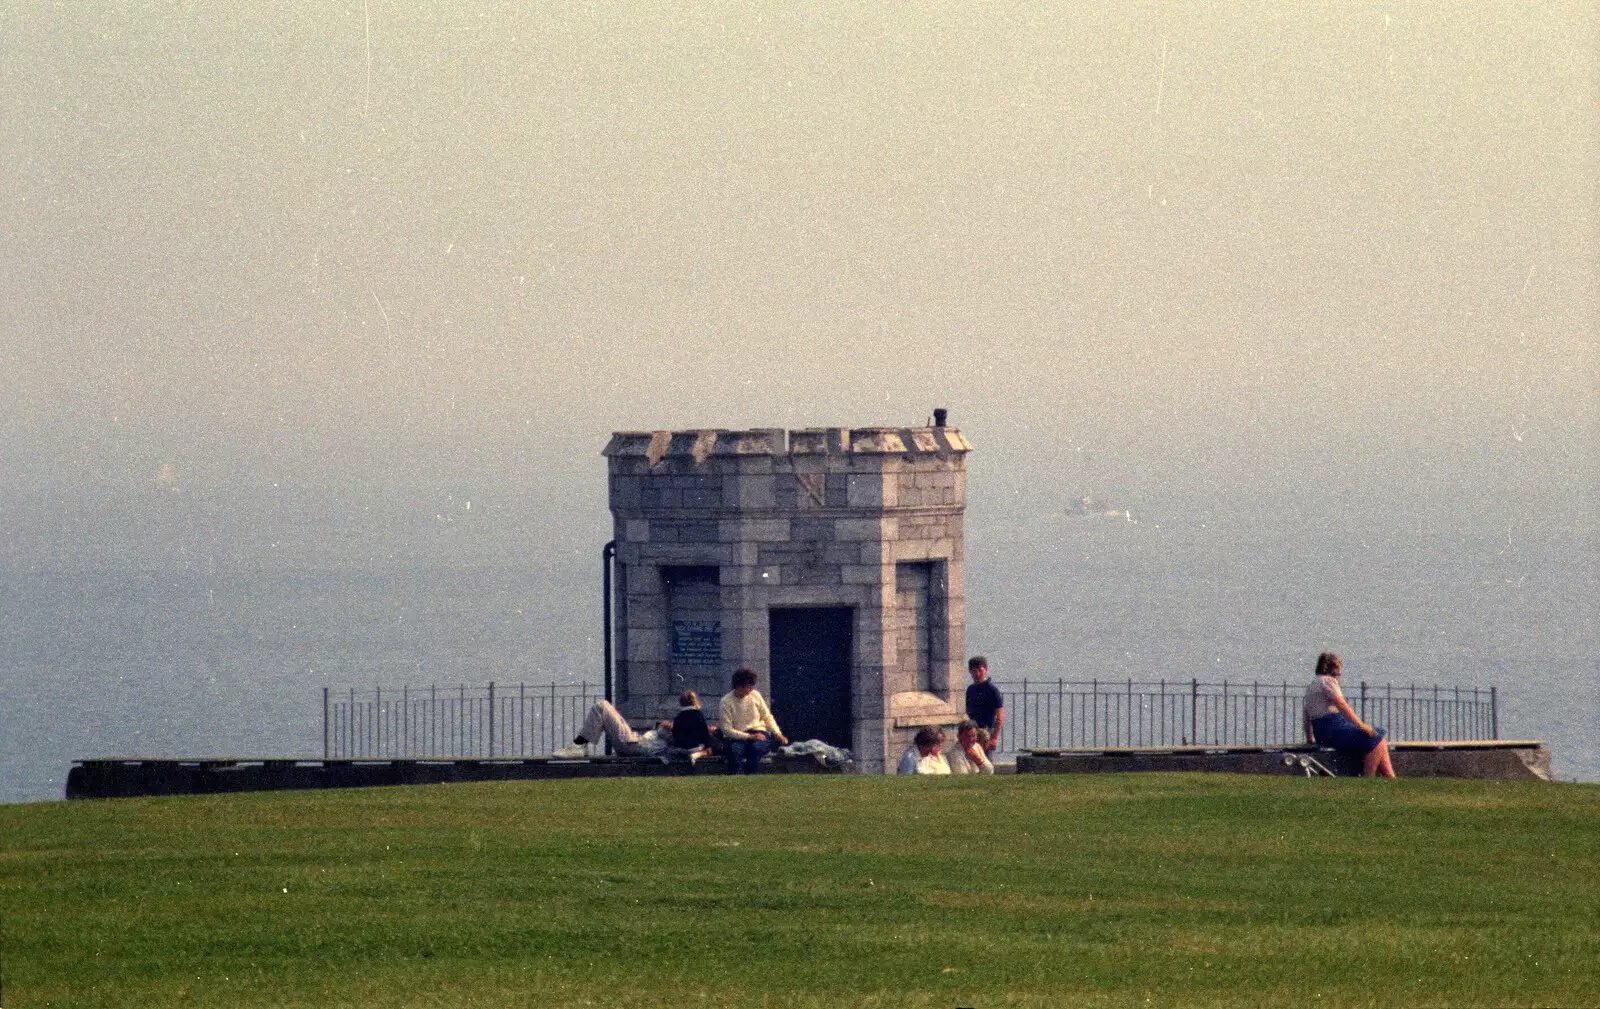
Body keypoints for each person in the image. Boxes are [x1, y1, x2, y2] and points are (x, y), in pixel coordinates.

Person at [1302, 652, 1397, 778]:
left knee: (1381, 741)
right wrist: (1362, 726)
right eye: (1338, 672)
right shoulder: (1328, 682)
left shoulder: (1311, 685)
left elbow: (1306, 715)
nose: (1339, 676)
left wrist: (1310, 738)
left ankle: (1391, 778)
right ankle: (1368, 778)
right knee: (1376, 737)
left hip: (1322, 733)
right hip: (1334, 728)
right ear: (1330, 669)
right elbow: (1342, 705)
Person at [719, 667, 788, 774]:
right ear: (739, 686)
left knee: (755, 749)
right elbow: (727, 729)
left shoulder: (755, 695)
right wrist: (749, 737)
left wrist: (777, 733)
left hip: (758, 732)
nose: (751, 689)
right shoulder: (726, 701)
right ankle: (737, 779)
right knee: (734, 752)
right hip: (737, 736)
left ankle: (752, 776)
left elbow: (767, 716)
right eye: (749, 686)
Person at [558, 698, 653, 757]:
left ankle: (579, 745)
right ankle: (579, 745)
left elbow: (665, 738)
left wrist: (664, 728)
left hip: (637, 744)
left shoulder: (665, 742)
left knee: (602, 706)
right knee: (602, 707)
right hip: (637, 742)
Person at [964, 656, 1005, 753]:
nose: (977, 674)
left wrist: (994, 738)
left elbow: (1000, 716)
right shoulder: (970, 689)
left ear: (986, 670)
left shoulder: (992, 690)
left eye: (980, 670)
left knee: (985, 764)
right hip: (972, 732)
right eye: (974, 671)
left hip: (986, 733)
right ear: (970, 672)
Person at [665, 690, 716, 761]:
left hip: (680, 747)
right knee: (709, 750)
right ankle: (696, 755)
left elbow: (675, 734)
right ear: (695, 701)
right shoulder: (699, 715)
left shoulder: (678, 717)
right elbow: (704, 734)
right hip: (695, 747)